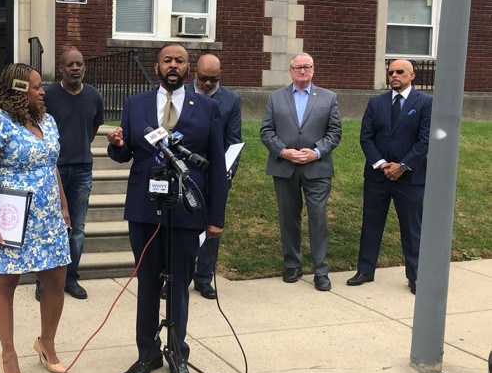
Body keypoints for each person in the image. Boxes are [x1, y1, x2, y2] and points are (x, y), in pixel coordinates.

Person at [106, 43, 228, 373]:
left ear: (188, 68)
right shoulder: (135, 104)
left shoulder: (206, 108)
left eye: (179, 61)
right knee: (147, 284)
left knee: (178, 286)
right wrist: (116, 144)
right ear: (156, 66)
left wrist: (215, 215)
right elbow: (125, 152)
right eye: (167, 60)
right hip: (145, 210)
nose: (173, 66)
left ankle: (177, 353)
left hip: (187, 210)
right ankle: (147, 353)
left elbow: (216, 163)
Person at [0, 63, 72, 373]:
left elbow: (51, 167)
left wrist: (64, 208)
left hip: (49, 217)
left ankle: (46, 343)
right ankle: (8, 353)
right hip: (11, 216)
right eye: (35, 86)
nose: (42, 91)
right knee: (6, 283)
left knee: (56, 280)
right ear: (17, 89)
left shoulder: (46, 120)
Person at [348, 59, 432, 295]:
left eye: (399, 72)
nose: (394, 75)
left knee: (412, 229)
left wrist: (403, 166)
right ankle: (365, 270)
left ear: (412, 75)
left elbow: (424, 141)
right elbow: (366, 137)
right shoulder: (376, 103)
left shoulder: (425, 103)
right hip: (378, 177)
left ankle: (415, 276)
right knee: (371, 225)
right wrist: (383, 164)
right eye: (391, 72)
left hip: (410, 179)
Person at [260, 52, 342, 292]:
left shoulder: (328, 98)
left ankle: (320, 271)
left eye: (307, 67)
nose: (302, 71)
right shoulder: (276, 98)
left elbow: (335, 132)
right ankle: (292, 265)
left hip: (317, 168)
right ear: (291, 70)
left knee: (318, 218)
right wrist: (283, 151)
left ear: (314, 69)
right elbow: (266, 131)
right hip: (284, 167)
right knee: (288, 218)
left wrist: (316, 152)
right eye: (298, 67)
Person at [35, 47, 104, 302]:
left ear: (84, 67)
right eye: (70, 65)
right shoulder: (49, 94)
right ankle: (43, 281)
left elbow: (94, 128)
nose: (75, 68)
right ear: (61, 68)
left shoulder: (95, 96)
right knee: (49, 226)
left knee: (77, 228)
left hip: (82, 169)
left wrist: (80, 148)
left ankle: (70, 278)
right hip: (53, 169)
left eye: (79, 64)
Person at [182, 53, 242, 300]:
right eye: (204, 78)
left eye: (213, 80)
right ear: (195, 73)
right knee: (180, 229)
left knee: (212, 228)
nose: (207, 84)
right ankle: (177, 277)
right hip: (184, 171)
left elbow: (234, 139)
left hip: (215, 174)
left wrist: (227, 170)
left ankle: (204, 278)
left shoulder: (231, 99)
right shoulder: (182, 93)